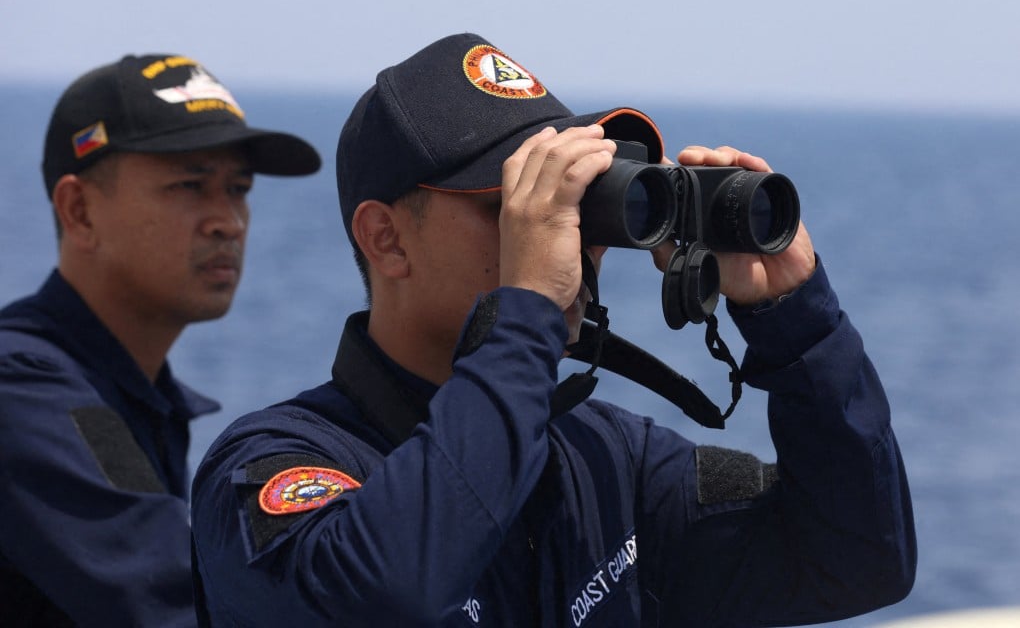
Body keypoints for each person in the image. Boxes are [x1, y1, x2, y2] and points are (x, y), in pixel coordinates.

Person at [191, 33, 916, 626]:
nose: (566, 239)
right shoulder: (266, 469)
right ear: (385, 239)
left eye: (576, 202)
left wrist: (795, 322)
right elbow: (388, 595)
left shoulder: (609, 463)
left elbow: (856, 558)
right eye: (516, 205)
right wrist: (527, 311)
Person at [0, 53, 321, 627]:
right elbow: (179, 609)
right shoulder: (25, 390)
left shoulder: (118, 392)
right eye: (189, 185)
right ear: (79, 210)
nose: (229, 220)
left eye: (238, 187)